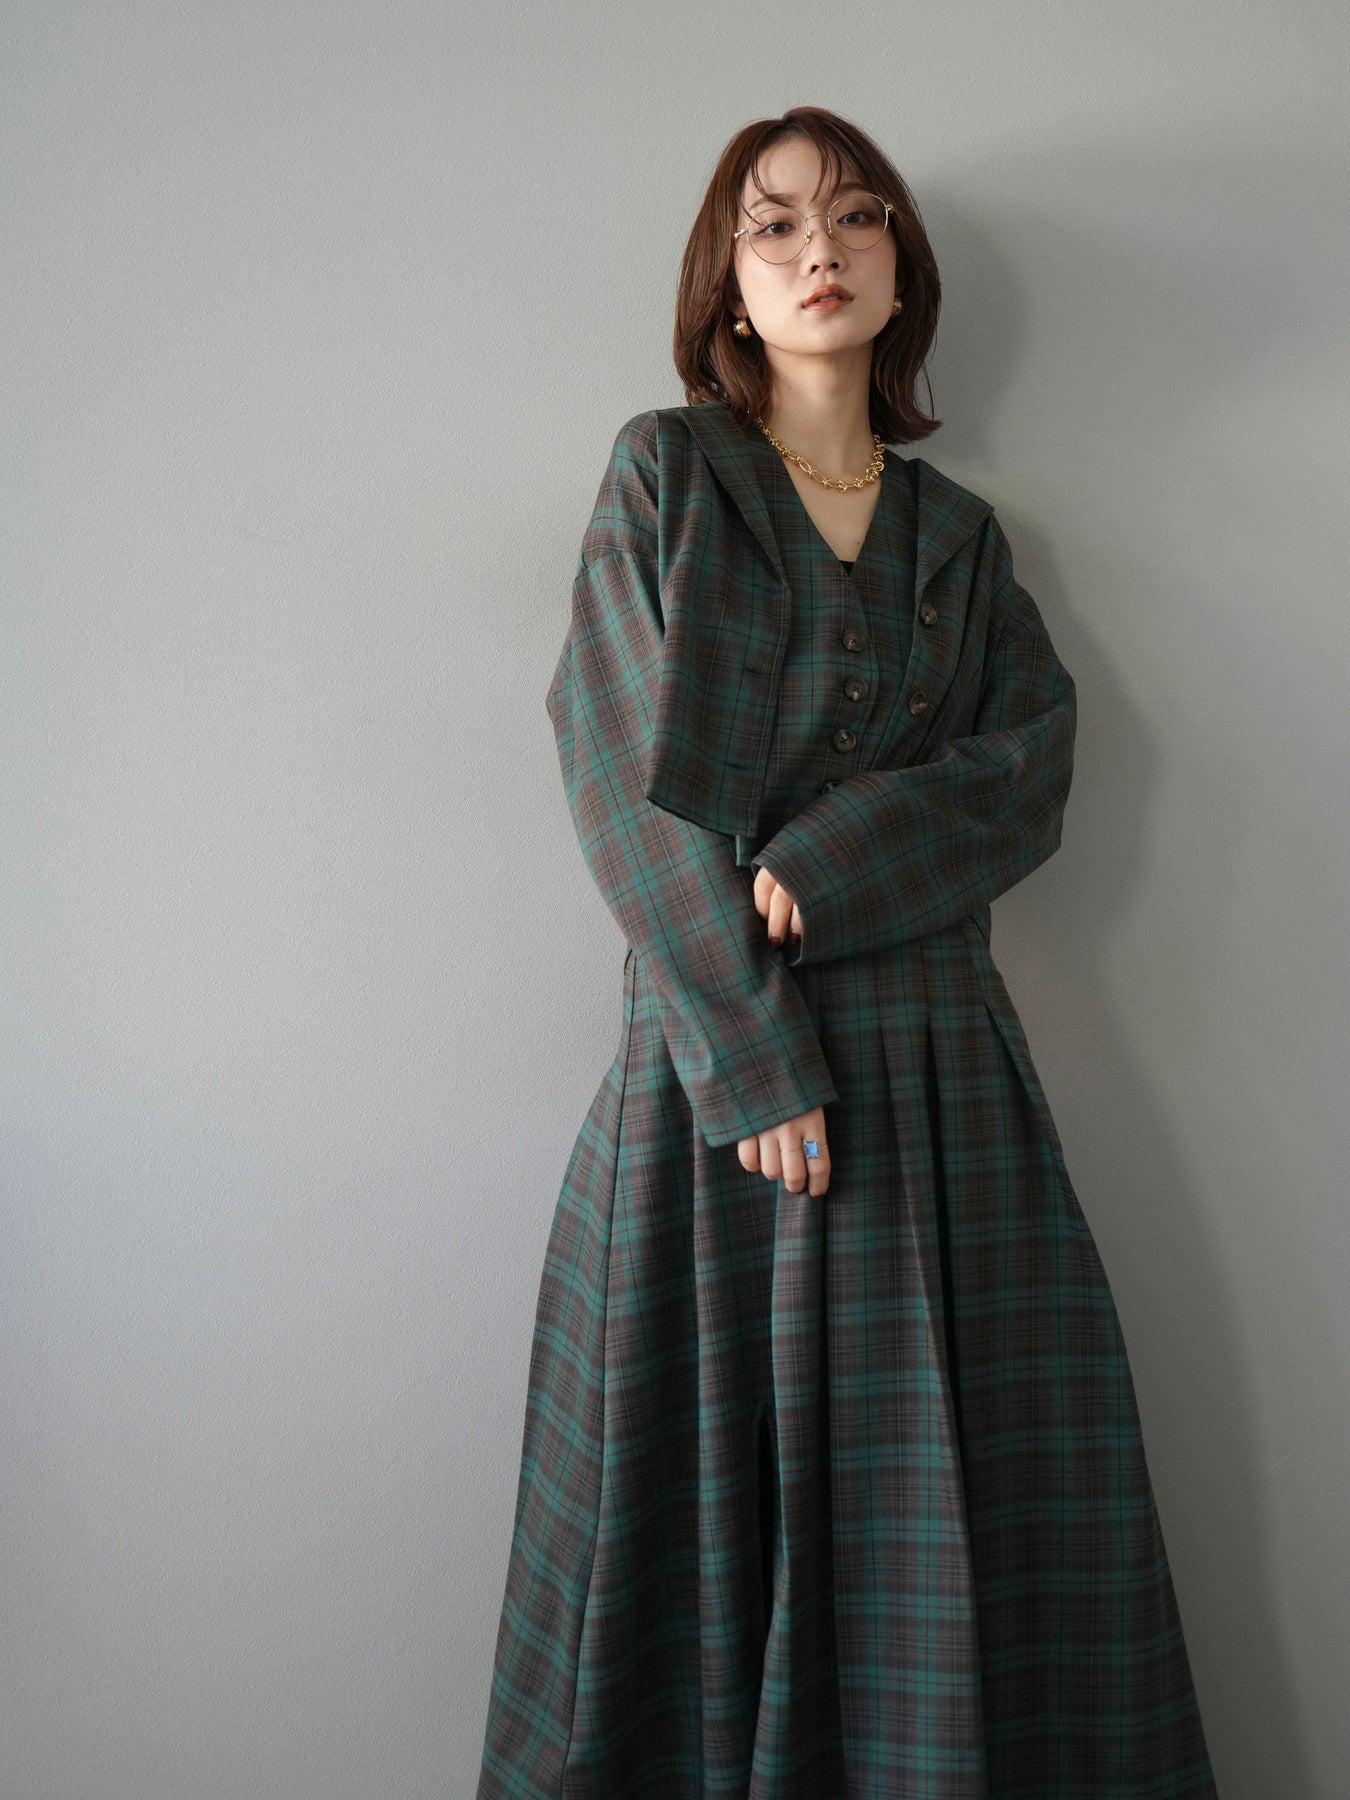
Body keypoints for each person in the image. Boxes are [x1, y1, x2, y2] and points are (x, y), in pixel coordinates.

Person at [477, 105, 1219, 1799]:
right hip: (705, 1093)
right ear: (727, 285)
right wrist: (749, 1062)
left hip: (941, 1086)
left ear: (900, 271)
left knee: (948, 1512)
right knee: (676, 1532)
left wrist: (833, 857)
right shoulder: (665, 477)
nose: (822, 248)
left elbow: (1031, 766)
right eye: (776, 223)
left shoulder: (960, 537)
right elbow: (616, 772)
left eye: (858, 217)